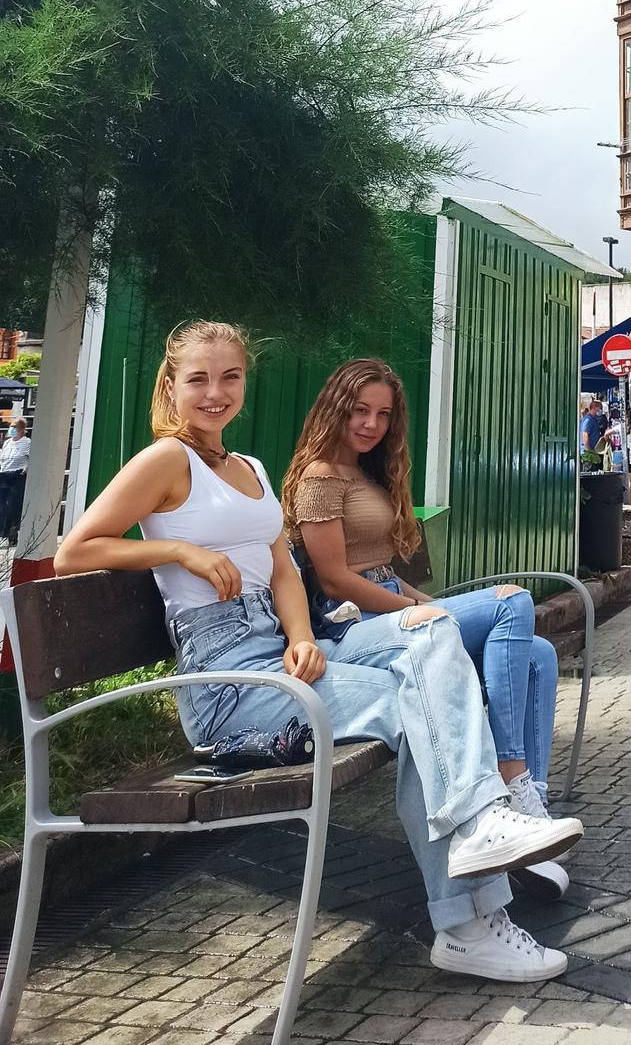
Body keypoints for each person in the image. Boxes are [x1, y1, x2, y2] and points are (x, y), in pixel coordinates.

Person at [53, 321, 579, 984]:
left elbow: (279, 571)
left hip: (278, 654)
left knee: (430, 637)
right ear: (172, 385)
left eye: (230, 377)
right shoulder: (166, 460)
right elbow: (77, 550)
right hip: (228, 684)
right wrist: (178, 550)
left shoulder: (248, 469)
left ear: (245, 379)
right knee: (423, 702)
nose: (216, 393)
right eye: (198, 379)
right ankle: (472, 906)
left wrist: (301, 635)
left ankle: (476, 869)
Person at [280, 359, 566, 896]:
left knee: (539, 655)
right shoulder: (319, 477)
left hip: (391, 607)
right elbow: (336, 580)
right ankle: (510, 783)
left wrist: (433, 603)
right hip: (355, 628)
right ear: (335, 407)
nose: (370, 424)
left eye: (382, 414)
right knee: (514, 602)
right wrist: (422, 612)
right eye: (360, 410)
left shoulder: (367, 473)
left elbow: (384, 573)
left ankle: (532, 806)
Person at [0, 415, 29, 545]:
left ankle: (12, 532)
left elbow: (32, 456)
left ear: (22, 429)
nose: (11, 429)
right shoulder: (7, 442)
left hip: (17, 475)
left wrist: (26, 468)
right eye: (11, 427)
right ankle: (3, 533)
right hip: (4, 474)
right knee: (2, 505)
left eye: (14, 427)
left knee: (13, 505)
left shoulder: (27, 442)